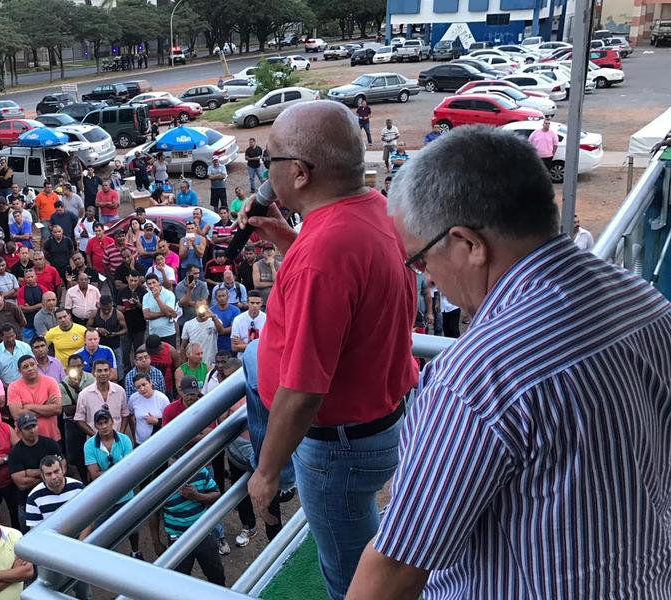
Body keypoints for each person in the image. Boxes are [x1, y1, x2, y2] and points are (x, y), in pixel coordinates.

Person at [349, 126, 671, 598]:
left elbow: (397, 564)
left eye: (419, 260)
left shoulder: (479, 375)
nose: (429, 279)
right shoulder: (639, 299)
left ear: (468, 244)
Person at [239, 101, 416, 599]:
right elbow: (347, 289)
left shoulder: (322, 256)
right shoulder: (373, 209)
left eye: (269, 161)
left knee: (347, 576)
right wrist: (289, 242)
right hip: (375, 421)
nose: (264, 172)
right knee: (363, 533)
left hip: (338, 445)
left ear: (297, 173)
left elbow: (303, 390)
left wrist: (267, 472)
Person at [83, 409, 141, 558]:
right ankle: (107, 558)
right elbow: (94, 474)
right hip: (103, 497)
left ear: (112, 422)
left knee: (133, 527)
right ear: (95, 425)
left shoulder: (125, 440)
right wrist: (119, 471)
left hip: (125, 493)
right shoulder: (89, 445)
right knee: (102, 529)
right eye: (99, 423)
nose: (103, 426)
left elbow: (130, 468)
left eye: (106, 422)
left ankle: (135, 552)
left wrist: (111, 473)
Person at [163, 465, 225, 584]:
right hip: (177, 539)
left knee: (217, 575)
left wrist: (196, 496)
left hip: (203, 533)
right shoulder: (162, 480)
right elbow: (155, 513)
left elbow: (216, 494)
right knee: (180, 581)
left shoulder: (200, 471)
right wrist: (156, 542)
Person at [6, 414, 61, 529]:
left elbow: (62, 469)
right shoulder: (15, 453)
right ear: (20, 431)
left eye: (34, 426)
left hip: (54, 497)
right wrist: (47, 475)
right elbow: (21, 484)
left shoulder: (50, 444)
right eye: (27, 428)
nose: (32, 430)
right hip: (27, 502)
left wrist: (30, 472)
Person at [7, 355, 62, 443]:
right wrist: (46, 406)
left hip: (51, 438)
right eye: (25, 367)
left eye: (32, 364)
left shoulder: (51, 381)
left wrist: (29, 407)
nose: (30, 368)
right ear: (19, 371)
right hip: (25, 442)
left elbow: (57, 409)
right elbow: (17, 415)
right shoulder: (13, 387)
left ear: (37, 365)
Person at [74, 360, 130, 436]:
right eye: (99, 371)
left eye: (106, 370)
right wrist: (95, 437)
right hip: (94, 441)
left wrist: (120, 435)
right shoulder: (84, 394)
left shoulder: (120, 391)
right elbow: (79, 419)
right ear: (93, 373)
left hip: (117, 438)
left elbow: (125, 414)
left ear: (110, 372)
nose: (103, 373)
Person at [142, 274, 178, 346]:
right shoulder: (146, 296)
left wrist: (157, 298)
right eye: (149, 284)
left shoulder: (169, 294)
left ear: (158, 282)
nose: (152, 286)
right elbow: (146, 315)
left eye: (154, 282)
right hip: (153, 334)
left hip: (168, 333)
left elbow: (169, 313)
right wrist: (164, 313)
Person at [230, 291, 265, 357]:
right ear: (247, 303)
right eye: (252, 303)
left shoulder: (267, 320)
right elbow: (234, 347)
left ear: (261, 304)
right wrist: (259, 346)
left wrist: (242, 344)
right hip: (243, 359)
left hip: (261, 358)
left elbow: (268, 345)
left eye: (257, 303)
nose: (255, 305)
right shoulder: (238, 319)